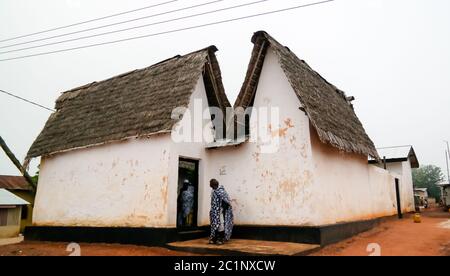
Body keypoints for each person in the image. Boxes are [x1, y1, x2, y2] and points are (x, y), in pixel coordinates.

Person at [209, 179, 233, 245]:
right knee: (214, 224)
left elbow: (226, 201)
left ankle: (220, 238)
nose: (209, 185)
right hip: (214, 211)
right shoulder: (213, 191)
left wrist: (221, 210)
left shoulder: (221, 191)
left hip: (220, 211)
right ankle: (215, 238)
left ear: (213, 184)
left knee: (220, 224)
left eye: (210, 183)